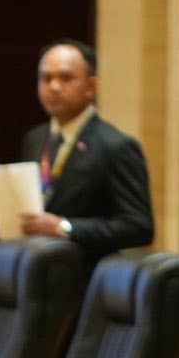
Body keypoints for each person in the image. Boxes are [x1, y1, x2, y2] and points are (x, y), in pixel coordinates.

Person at [17, 39, 154, 259]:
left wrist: (66, 227)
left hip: (85, 279)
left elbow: (139, 227)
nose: (54, 86)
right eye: (46, 78)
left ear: (92, 87)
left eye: (66, 78)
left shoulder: (116, 146)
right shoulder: (34, 139)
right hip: (36, 269)